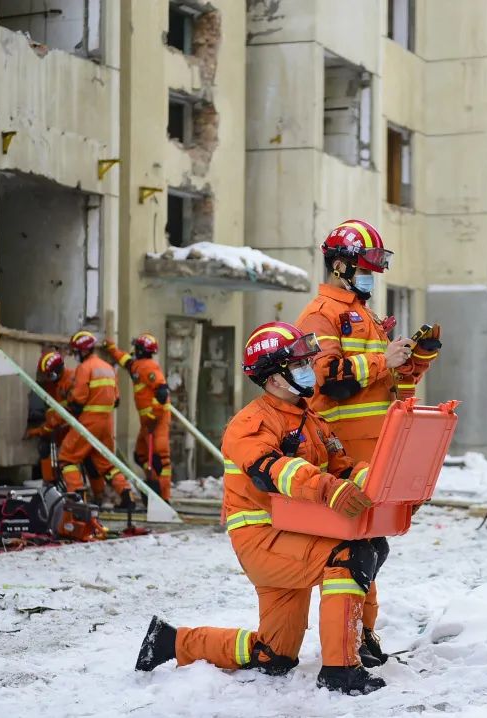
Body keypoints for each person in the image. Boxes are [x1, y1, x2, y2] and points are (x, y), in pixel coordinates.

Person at [134, 322, 385, 694]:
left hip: (294, 537)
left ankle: (171, 641)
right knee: (350, 555)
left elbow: (342, 466)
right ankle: (340, 670)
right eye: (299, 364)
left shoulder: (310, 420)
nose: (308, 369)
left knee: (274, 656)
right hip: (263, 540)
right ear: (273, 378)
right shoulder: (251, 424)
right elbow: (271, 470)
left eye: (307, 361)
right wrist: (328, 489)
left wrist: (387, 484)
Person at [295, 218, 441, 667]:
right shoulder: (322, 314)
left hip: (375, 449)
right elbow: (326, 381)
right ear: (339, 265)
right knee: (356, 550)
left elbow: (387, 382)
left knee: (368, 546)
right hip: (344, 452)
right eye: (364, 267)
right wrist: (383, 359)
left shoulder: (366, 317)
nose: (370, 276)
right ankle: (352, 641)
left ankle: (363, 635)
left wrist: (415, 361)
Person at [57, 330, 134, 509]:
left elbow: (78, 399)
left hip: (89, 422)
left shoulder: (84, 368)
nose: (76, 355)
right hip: (107, 423)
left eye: (76, 351)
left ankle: (78, 498)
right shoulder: (107, 367)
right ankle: (127, 495)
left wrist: (68, 400)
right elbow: (116, 400)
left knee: (67, 459)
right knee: (106, 463)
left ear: (83, 351)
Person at [104, 333, 173, 501]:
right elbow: (126, 362)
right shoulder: (138, 366)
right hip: (147, 423)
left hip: (157, 421)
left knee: (160, 460)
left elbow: (162, 392)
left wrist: (152, 416)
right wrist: (112, 350)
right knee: (140, 455)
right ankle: (153, 483)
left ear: (141, 350)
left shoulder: (149, 367)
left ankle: (163, 499)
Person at [24, 350, 75, 485]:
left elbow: (67, 412)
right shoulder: (51, 384)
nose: (46, 379)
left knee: (70, 459)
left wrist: (42, 429)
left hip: (70, 428)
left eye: (49, 375)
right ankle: (50, 483)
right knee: (45, 448)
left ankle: (75, 489)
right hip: (56, 426)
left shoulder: (71, 381)